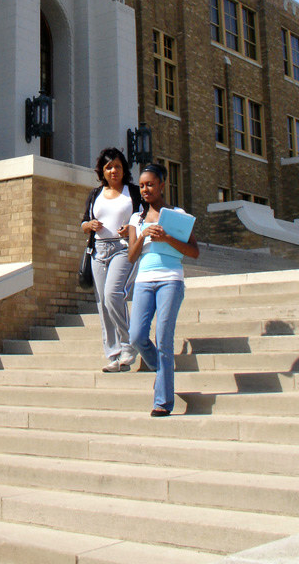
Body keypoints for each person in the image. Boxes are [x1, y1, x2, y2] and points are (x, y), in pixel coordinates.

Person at [128, 162, 199, 415]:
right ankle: (162, 368)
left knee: (164, 339)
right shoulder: (136, 218)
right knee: (136, 336)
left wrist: (166, 237)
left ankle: (162, 402)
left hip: (170, 279)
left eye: (150, 184)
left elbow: (194, 251)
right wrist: (145, 234)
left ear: (162, 185)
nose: (146, 189)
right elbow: (131, 257)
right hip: (144, 281)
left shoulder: (177, 214)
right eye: (142, 185)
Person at [81, 147, 141, 372]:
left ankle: (129, 343)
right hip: (98, 250)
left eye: (117, 166)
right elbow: (83, 223)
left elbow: (144, 218)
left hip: (123, 248)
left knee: (112, 295)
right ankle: (114, 354)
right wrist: (89, 225)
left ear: (124, 168)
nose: (113, 170)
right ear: (102, 171)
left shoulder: (132, 192)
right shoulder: (95, 194)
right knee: (102, 303)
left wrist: (132, 228)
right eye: (108, 167)